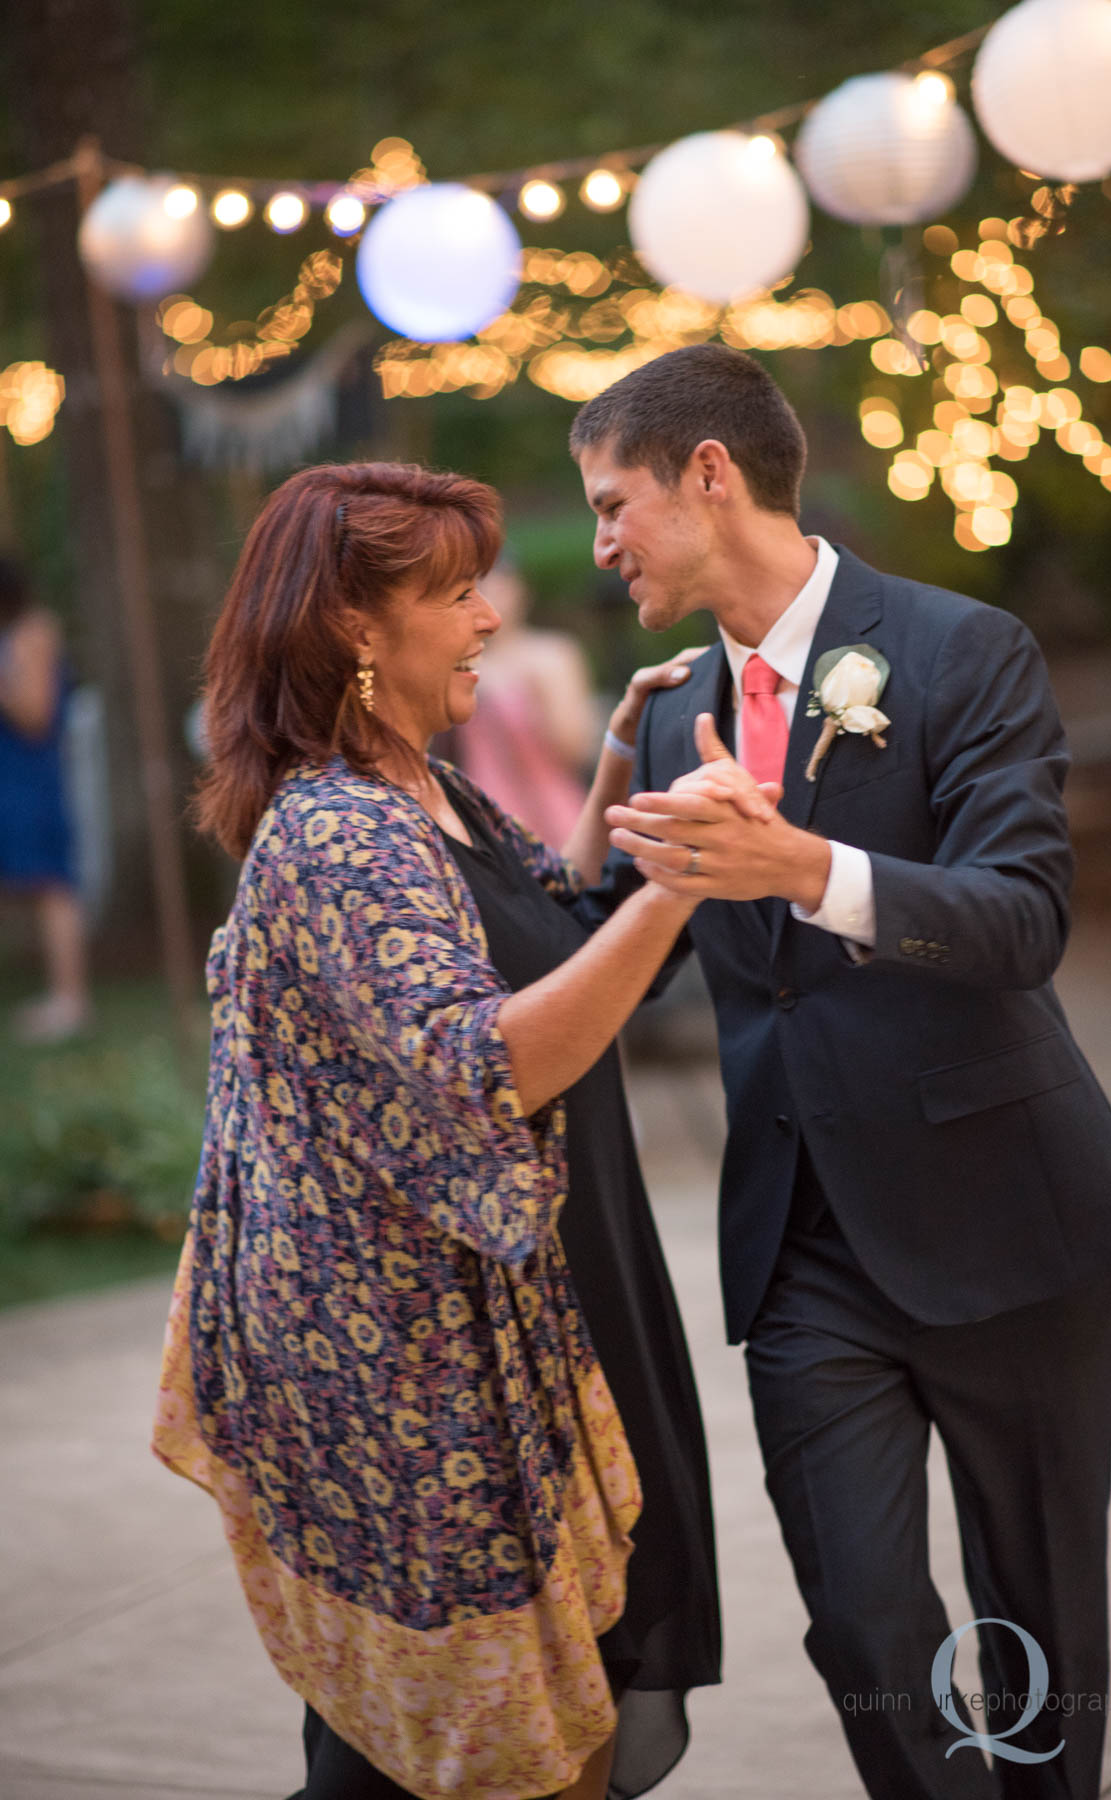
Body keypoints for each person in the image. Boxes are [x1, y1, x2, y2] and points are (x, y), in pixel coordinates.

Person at [568, 344, 1111, 1800]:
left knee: (1040, 1622)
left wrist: (806, 866)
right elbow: (618, 965)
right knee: (861, 1624)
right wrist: (599, 802)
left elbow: (1021, 919)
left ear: (707, 476)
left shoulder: (964, 651)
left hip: (1001, 1218)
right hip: (799, 1248)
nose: (597, 546)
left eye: (610, 503)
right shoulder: (658, 714)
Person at [151, 461, 721, 1800]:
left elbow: (552, 932)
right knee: (461, 1762)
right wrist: (685, 880)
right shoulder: (341, 835)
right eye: (457, 595)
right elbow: (483, 1063)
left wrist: (624, 787)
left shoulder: (430, 791)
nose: (485, 623)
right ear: (356, 623)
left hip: (527, 1317)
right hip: (423, 1391)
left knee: (477, 1752)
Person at [0, 556, 92, 1043]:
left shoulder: (32, 632)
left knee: (50, 882)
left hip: (27, 778)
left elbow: (35, 714)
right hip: (9, 774)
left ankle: (70, 1001)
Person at [446, 557, 596, 849]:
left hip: (553, 808)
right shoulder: (457, 665)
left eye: (494, 587)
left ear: (519, 590)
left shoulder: (551, 654)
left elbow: (576, 747)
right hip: (488, 816)